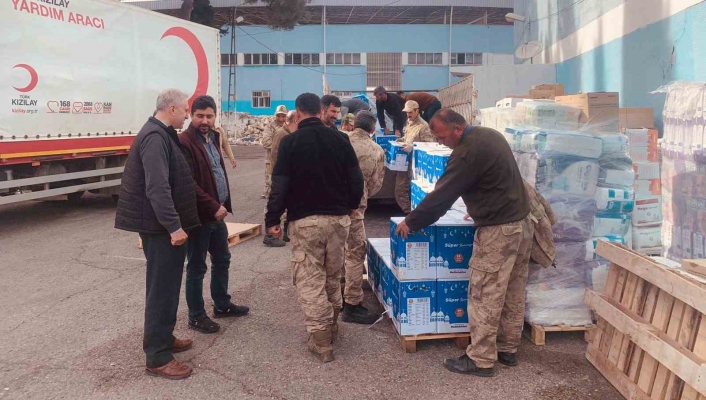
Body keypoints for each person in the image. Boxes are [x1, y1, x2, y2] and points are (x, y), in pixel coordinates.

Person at [394, 109, 533, 377]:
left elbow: (443, 195)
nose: (440, 142)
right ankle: (507, 349)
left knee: (485, 294)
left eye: (443, 136)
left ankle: (480, 359)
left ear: (458, 128)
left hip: (499, 231)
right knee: (513, 291)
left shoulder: (466, 153)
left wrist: (412, 221)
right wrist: (482, 205)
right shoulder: (489, 135)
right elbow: (498, 179)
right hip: (521, 224)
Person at [265, 93, 364, 363]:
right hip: (338, 220)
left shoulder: (290, 142)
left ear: (297, 113)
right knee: (333, 276)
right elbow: (356, 179)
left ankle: (321, 340)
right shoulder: (341, 139)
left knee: (310, 278)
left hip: (305, 221)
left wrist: (272, 219)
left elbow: (280, 185)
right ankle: (332, 326)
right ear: (320, 110)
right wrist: (352, 205)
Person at [114, 89, 200, 380]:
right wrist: (174, 226)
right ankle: (158, 356)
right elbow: (157, 187)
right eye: (186, 110)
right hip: (161, 229)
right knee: (161, 290)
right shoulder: (154, 137)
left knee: (168, 286)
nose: (188, 115)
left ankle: (165, 337)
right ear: (172, 109)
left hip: (163, 228)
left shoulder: (162, 133)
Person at [179, 95, 250, 334]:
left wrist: (222, 204)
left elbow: (217, 169)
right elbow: (188, 183)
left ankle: (222, 304)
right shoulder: (185, 141)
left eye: (209, 116)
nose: (204, 120)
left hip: (217, 214)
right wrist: (212, 205)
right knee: (197, 267)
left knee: (222, 259)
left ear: (215, 116)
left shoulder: (215, 137)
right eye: (200, 115)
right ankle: (196, 316)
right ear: (191, 114)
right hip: (199, 216)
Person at [341, 111, 385, 324]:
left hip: (331, 207)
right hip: (355, 210)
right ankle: (351, 303)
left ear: (353, 124)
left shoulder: (340, 140)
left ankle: (336, 291)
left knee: (333, 250)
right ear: (372, 129)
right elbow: (376, 185)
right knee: (356, 253)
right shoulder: (376, 150)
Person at [263, 110, 298, 246]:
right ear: (294, 120)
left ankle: (283, 234)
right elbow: (275, 155)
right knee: (275, 204)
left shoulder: (288, 133)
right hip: (278, 174)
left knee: (285, 204)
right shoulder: (281, 133)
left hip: (284, 175)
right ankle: (269, 235)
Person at [395, 100, 435, 214]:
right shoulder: (409, 122)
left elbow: (430, 146)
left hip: (416, 165)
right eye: (406, 112)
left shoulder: (423, 126)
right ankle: (408, 212)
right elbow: (407, 137)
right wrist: (400, 140)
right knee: (400, 190)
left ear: (417, 111)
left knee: (412, 190)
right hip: (405, 162)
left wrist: (413, 147)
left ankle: (411, 214)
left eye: (410, 112)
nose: (408, 115)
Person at [261, 105, 288, 199]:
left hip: (287, 161)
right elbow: (265, 142)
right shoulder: (270, 126)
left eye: (283, 116)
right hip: (272, 161)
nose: (281, 119)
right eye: (279, 116)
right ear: (275, 115)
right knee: (270, 186)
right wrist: (283, 147)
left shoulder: (289, 126)